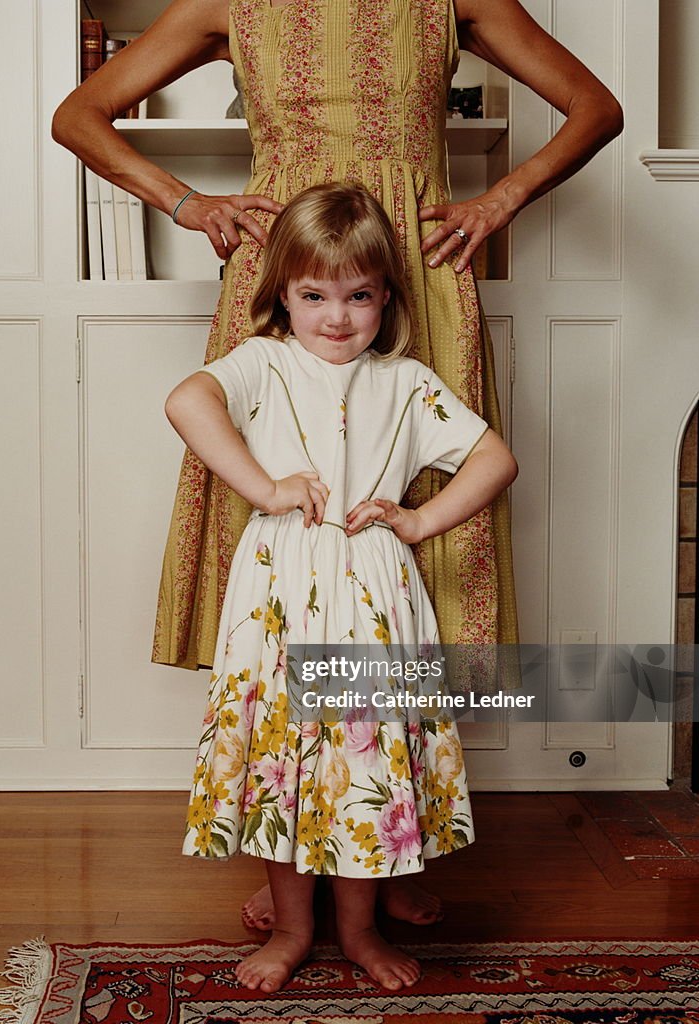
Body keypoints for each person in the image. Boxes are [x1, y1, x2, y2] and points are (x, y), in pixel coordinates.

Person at [52, 0, 621, 931]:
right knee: (288, 559)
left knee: (413, 563)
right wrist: (189, 204)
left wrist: (497, 201)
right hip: (289, 275)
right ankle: (295, 834)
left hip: (408, 281)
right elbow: (78, 114)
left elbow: (596, 107)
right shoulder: (225, 4)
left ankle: (382, 836)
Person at [164, 182, 518, 992]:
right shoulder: (262, 361)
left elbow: (494, 459)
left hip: (372, 598)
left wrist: (422, 523)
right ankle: (292, 928)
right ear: (281, 296)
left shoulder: (406, 381)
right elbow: (188, 401)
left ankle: (358, 931)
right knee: (279, 759)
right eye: (313, 295)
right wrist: (263, 486)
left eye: (358, 296)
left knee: (364, 764)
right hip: (278, 596)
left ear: (386, 296)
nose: (336, 316)